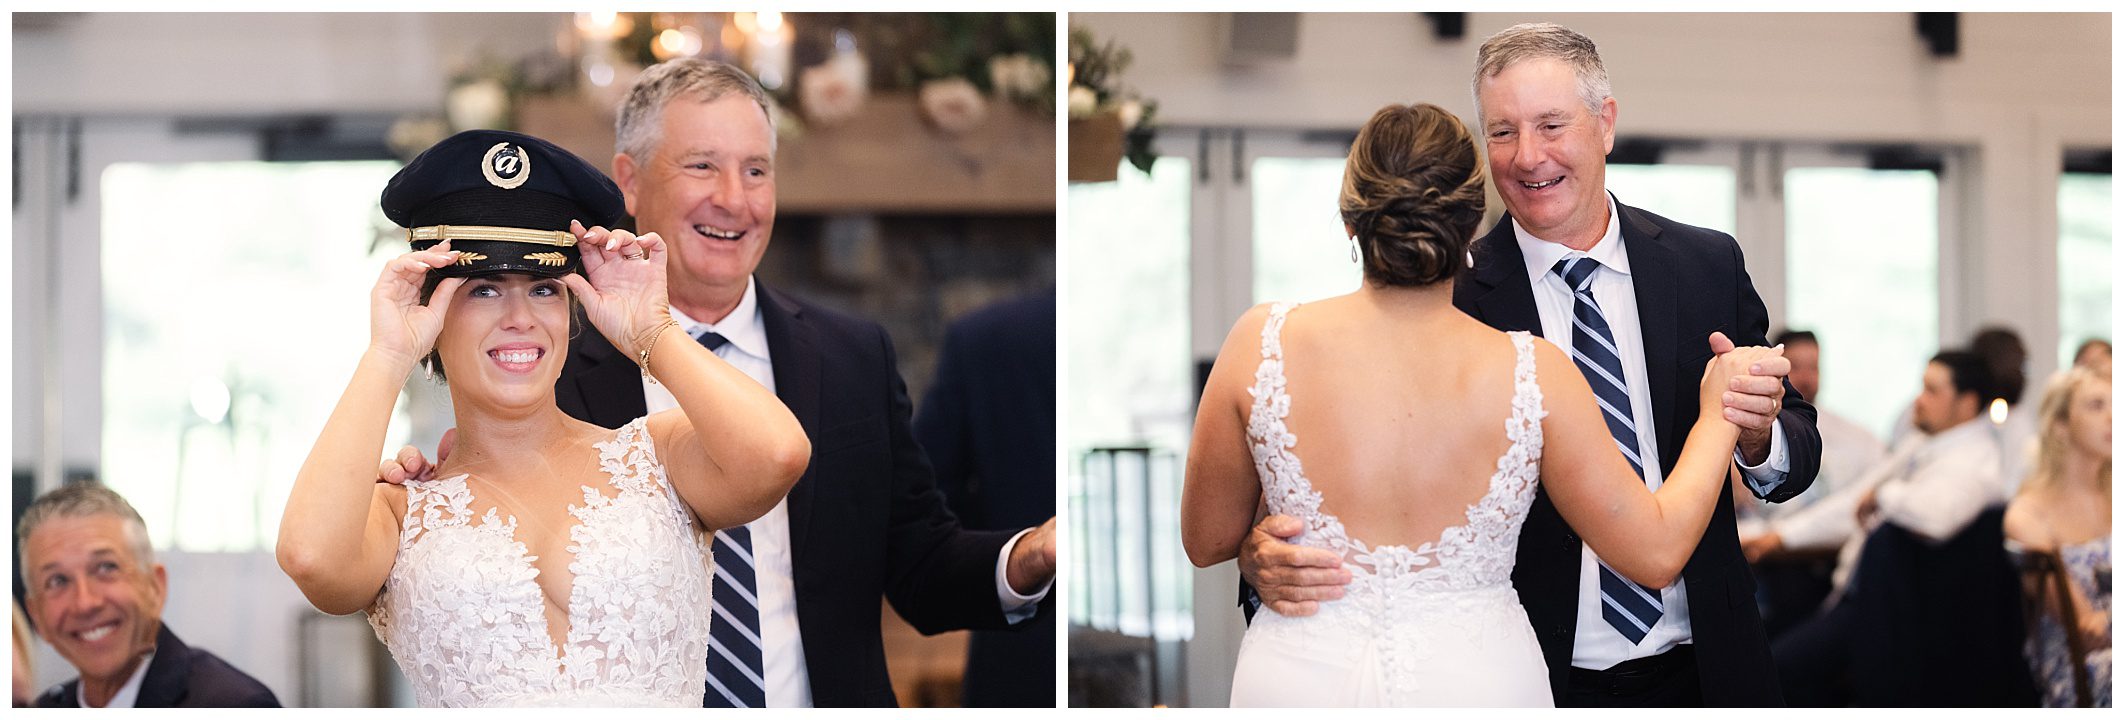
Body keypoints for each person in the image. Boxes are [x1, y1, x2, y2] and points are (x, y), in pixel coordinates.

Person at [382, 59, 1056, 707]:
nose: (734, 199)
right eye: (702, 165)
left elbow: (922, 560)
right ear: (631, 181)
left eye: (756, 170)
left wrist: (1028, 557)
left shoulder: (854, 356)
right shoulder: (543, 361)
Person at [1235, 23, 1822, 707]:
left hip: (1712, 668)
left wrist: (1756, 435)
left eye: (1550, 124)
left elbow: (1796, 446)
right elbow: (1352, 490)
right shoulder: (1442, 297)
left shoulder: (1705, 265)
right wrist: (1259, 560)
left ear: (1605, 123)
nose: (1527, 155)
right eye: (1503, 132)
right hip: (1529, 676)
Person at [276, 129, 810, 707]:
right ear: (430, 313)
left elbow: (776, 455)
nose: (520, 318)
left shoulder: (656, 457)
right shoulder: (401, 510)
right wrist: (387, 355)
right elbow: (313, 559)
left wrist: (651, 330)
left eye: (544, 289)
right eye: (483, 289)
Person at [1767, 350, 2007, 705]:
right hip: (1864, 599)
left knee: (1776, 671)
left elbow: (1937, 519)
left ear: (1967, 403)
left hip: (1905, 624)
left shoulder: (1977, 461)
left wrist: (1884, 496)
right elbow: (1853, 501)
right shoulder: (1921, 444)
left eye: (1931, 390)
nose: (1918, 401)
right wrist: (1775, 537)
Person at [913, 289, 1058, 708]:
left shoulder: (984, 336)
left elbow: (927, 494)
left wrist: (1005, 540)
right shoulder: (983, 336)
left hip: (1016, 642)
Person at [19, 484, 278, 707]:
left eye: (106, 567)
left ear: (155, 587)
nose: (85, 603)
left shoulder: (234, 705)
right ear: (37, 616)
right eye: (58, 581)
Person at [1736, 330, 1884, 638]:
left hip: (1826, 561)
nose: (1806, 378)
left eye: (1814, 368)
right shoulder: (1743, 433)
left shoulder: (1858, 439)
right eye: (1796, 368)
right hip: (1762, 563)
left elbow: (1863, 507)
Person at [2004, 367, 2112, 707]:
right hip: (2083, 667)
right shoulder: (2027, 515)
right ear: (2060, 426)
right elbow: (2087, 631)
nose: (2114, 416)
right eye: (2097, 406)